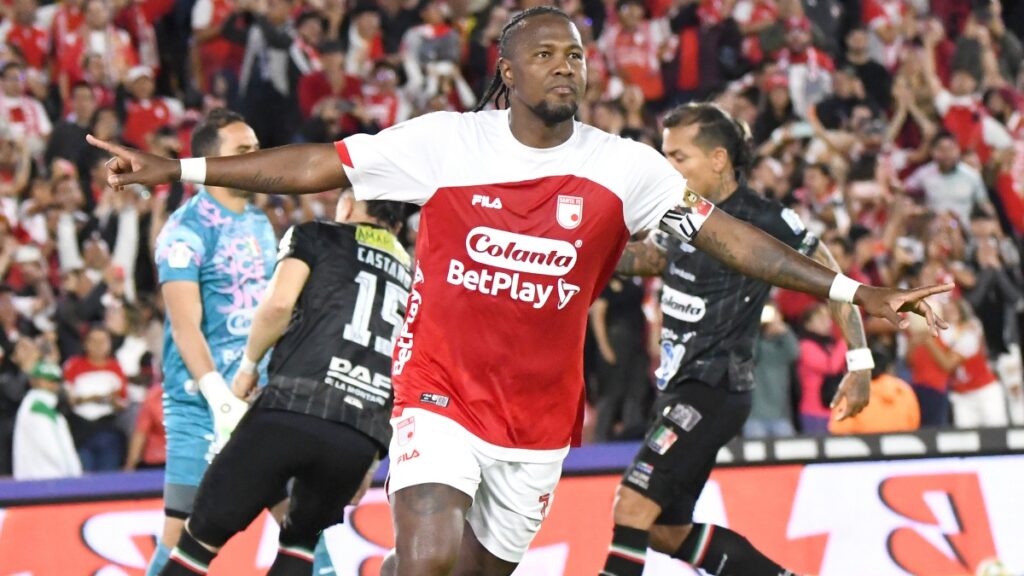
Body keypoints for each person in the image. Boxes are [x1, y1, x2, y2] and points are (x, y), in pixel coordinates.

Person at [88, 7, 950, 574]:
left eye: (575, 55)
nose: (565, 67)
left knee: (466, 570)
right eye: (544, 55)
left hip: (538, 420)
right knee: (425, 556)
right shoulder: (446, 143)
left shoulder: (626, 169)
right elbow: (318, 162)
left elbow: (727, 235)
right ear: (507, 70)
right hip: (438, 391)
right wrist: (183, 166)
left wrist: (847, 287)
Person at [605, 103, 872, 575]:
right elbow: (653, 259)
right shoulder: (681, 208)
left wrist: (860, 360)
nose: (668, 167)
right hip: (679, 385)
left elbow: (832, 279)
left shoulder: (764, 218)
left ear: (718, 159)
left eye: (678, 156)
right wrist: (587, 247)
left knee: (631, 506)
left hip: (714, 387)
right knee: (667, 532)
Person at [158, 192, 407, 575]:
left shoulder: (316, 235)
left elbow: (277, 305)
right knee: (300, 544)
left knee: (196, 543)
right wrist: (373, 455)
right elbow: (410, 367)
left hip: (292, 409)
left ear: (348, 206)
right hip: (358, 436)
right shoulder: (416, 277)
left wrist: (248, 366)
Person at [145, 108, 279, 576]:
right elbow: (185, 327)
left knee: (304, 525)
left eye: (256, 147)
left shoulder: (260, 222)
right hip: (202, 407)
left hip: (260, 399)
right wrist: (219, 398)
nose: (255, 157)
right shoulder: (184, 231)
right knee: (180, 540)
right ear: (210, 161)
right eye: (242, 150)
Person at [12, 361, 82, 480]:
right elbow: (53, 449)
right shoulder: (37, 407)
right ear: (33, 381)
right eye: (48, 380)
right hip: (46, 480)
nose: (53, 385)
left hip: (44, 480)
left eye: (55, 381)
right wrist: (74, 475)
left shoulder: (47, 408)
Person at [829, 346, 920, 435]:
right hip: (901, 446)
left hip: (861, 446)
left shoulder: (851, 393)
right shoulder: (902, 390)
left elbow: (839, 430)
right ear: (889, 368)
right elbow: (914, 423)